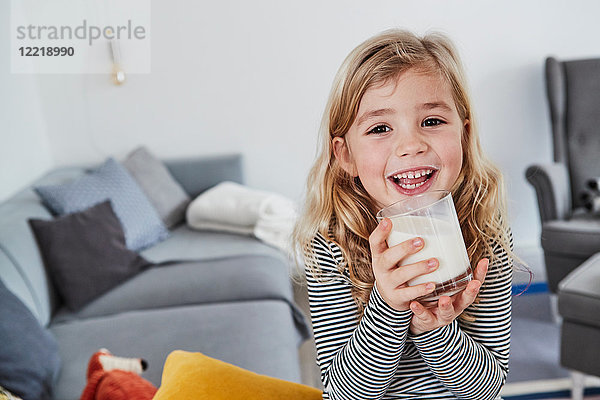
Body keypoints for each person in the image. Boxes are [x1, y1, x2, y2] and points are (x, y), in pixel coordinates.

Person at [292, 29, 517, 400]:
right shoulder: (332, 246)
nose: (411, 145)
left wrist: (433, 329)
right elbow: (344, 393)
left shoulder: (486, 232)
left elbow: (487, 388)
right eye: (380, 128)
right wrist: (389, 307)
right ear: (345, 154)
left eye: (432, 121)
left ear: (464, 134)